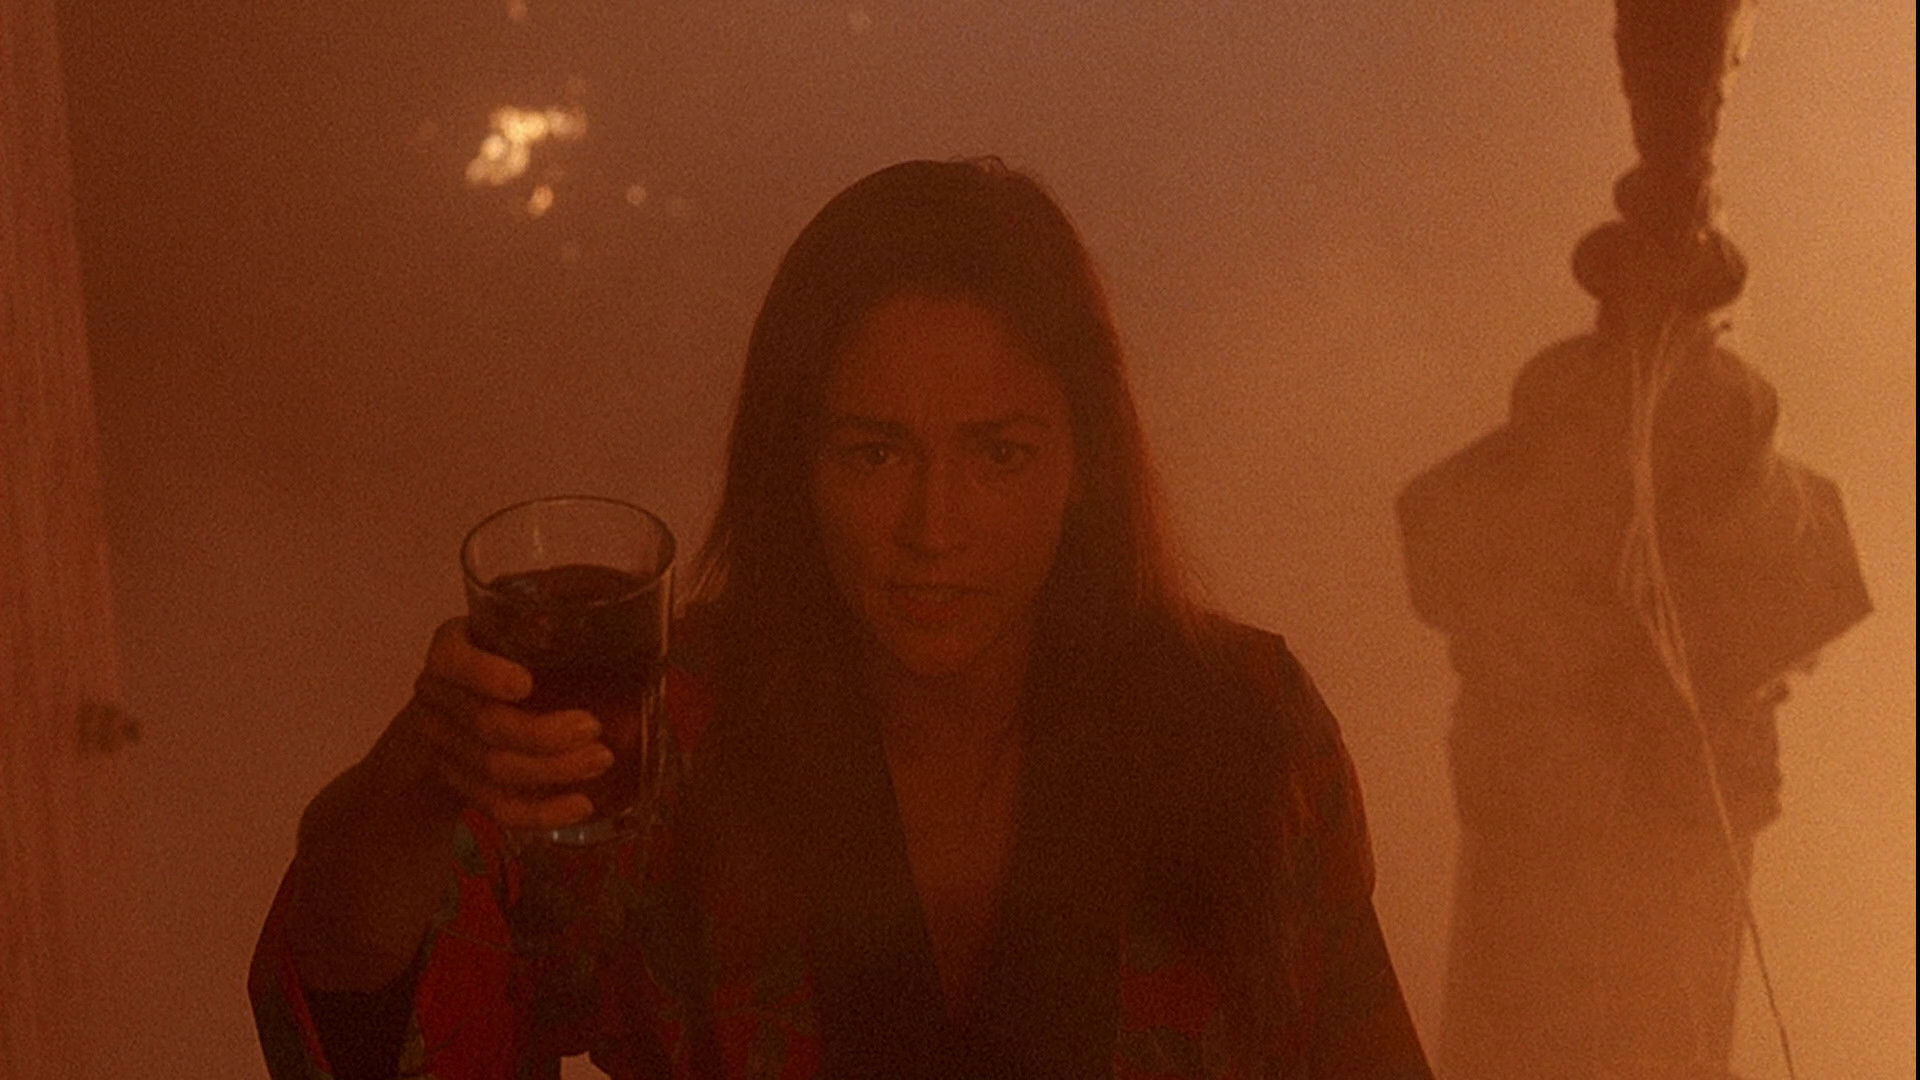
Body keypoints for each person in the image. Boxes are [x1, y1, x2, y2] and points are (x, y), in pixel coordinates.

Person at [250, 157, 1433, 1078]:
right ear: (796, 465)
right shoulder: (672, 732)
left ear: (1086, 464)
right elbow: (359, 995)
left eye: (998, 454)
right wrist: (424, 769)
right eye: (875, 452)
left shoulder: (1244, 724)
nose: (934, 526)